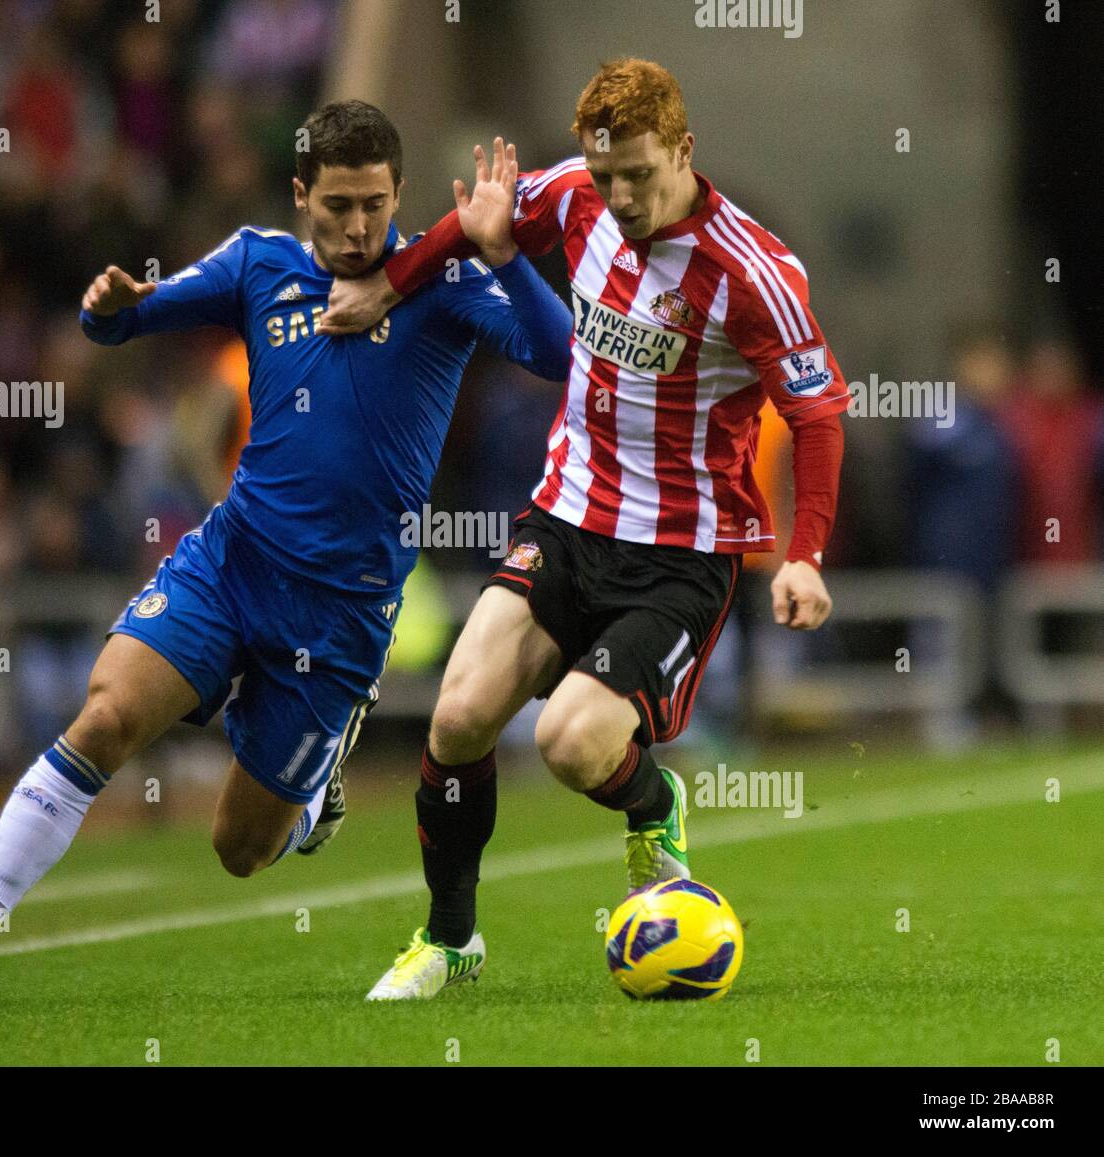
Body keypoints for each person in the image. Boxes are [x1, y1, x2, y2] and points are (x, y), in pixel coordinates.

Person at [0, 100, 573, 1006]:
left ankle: (312, 787)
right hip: (233, 562)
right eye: (337, 205)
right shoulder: (259, 262)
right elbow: (128, 324)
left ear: (400, 193)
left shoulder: (442, 286)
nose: (359, 225)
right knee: (104, 718)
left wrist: (502, 253)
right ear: (301, 195)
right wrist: (112, 312)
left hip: (338, 615)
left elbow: (561, 352)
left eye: (375, 202)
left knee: (238, 849)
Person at [319, 60, 851, 1001]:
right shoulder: (578, 195)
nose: (620, 197)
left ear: (684, 152)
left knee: (568, 743)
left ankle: (654, 802)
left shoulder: (753, 273)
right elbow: (479, 221)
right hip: (566, 519)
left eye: (639, 176)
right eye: (606, 176)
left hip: (678, 558)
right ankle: (450, 942)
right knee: (456, 716)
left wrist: (805, 551)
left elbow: (816, 411)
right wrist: (389, 286)